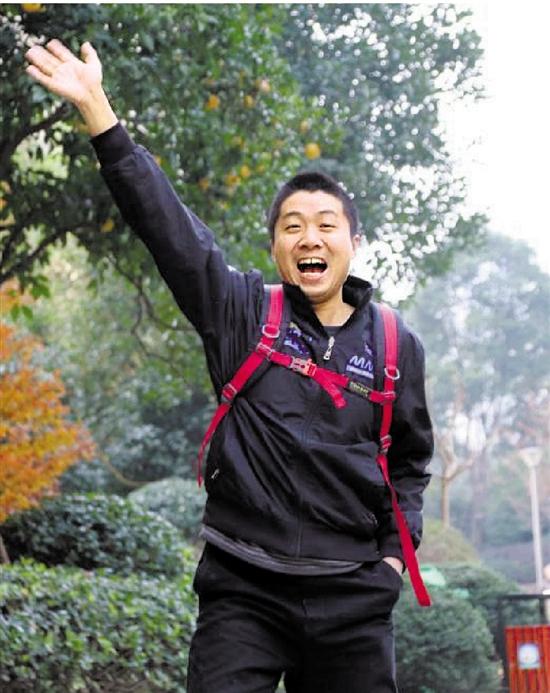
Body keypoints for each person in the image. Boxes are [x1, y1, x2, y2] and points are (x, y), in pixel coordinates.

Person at [25, 39, 434, 693]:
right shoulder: (242, 313)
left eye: (326, 225)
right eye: (291, 226)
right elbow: (168, 229)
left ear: (353, 243)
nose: (309, 237)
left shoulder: (393, 343)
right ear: (274, 247)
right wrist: (98, 110)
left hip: (353, 595)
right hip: (243, 588)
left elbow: (409, 461)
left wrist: (392, 558)